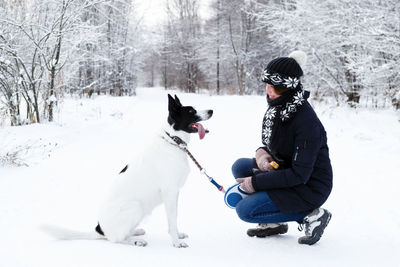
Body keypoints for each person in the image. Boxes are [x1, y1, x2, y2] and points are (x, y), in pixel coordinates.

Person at [232, 51, 333, 245]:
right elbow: (272, 145)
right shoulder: (280, 107)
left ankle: (311, 214)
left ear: (288, 88)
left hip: (308, 187)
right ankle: (274, 222)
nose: (268, 90)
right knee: (240, 167)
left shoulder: (306, 122)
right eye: (267, 85)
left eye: (274, 86)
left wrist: (255, 183)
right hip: (285, 169)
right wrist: (263, 157)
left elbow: (299, 175)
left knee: (246, 210)